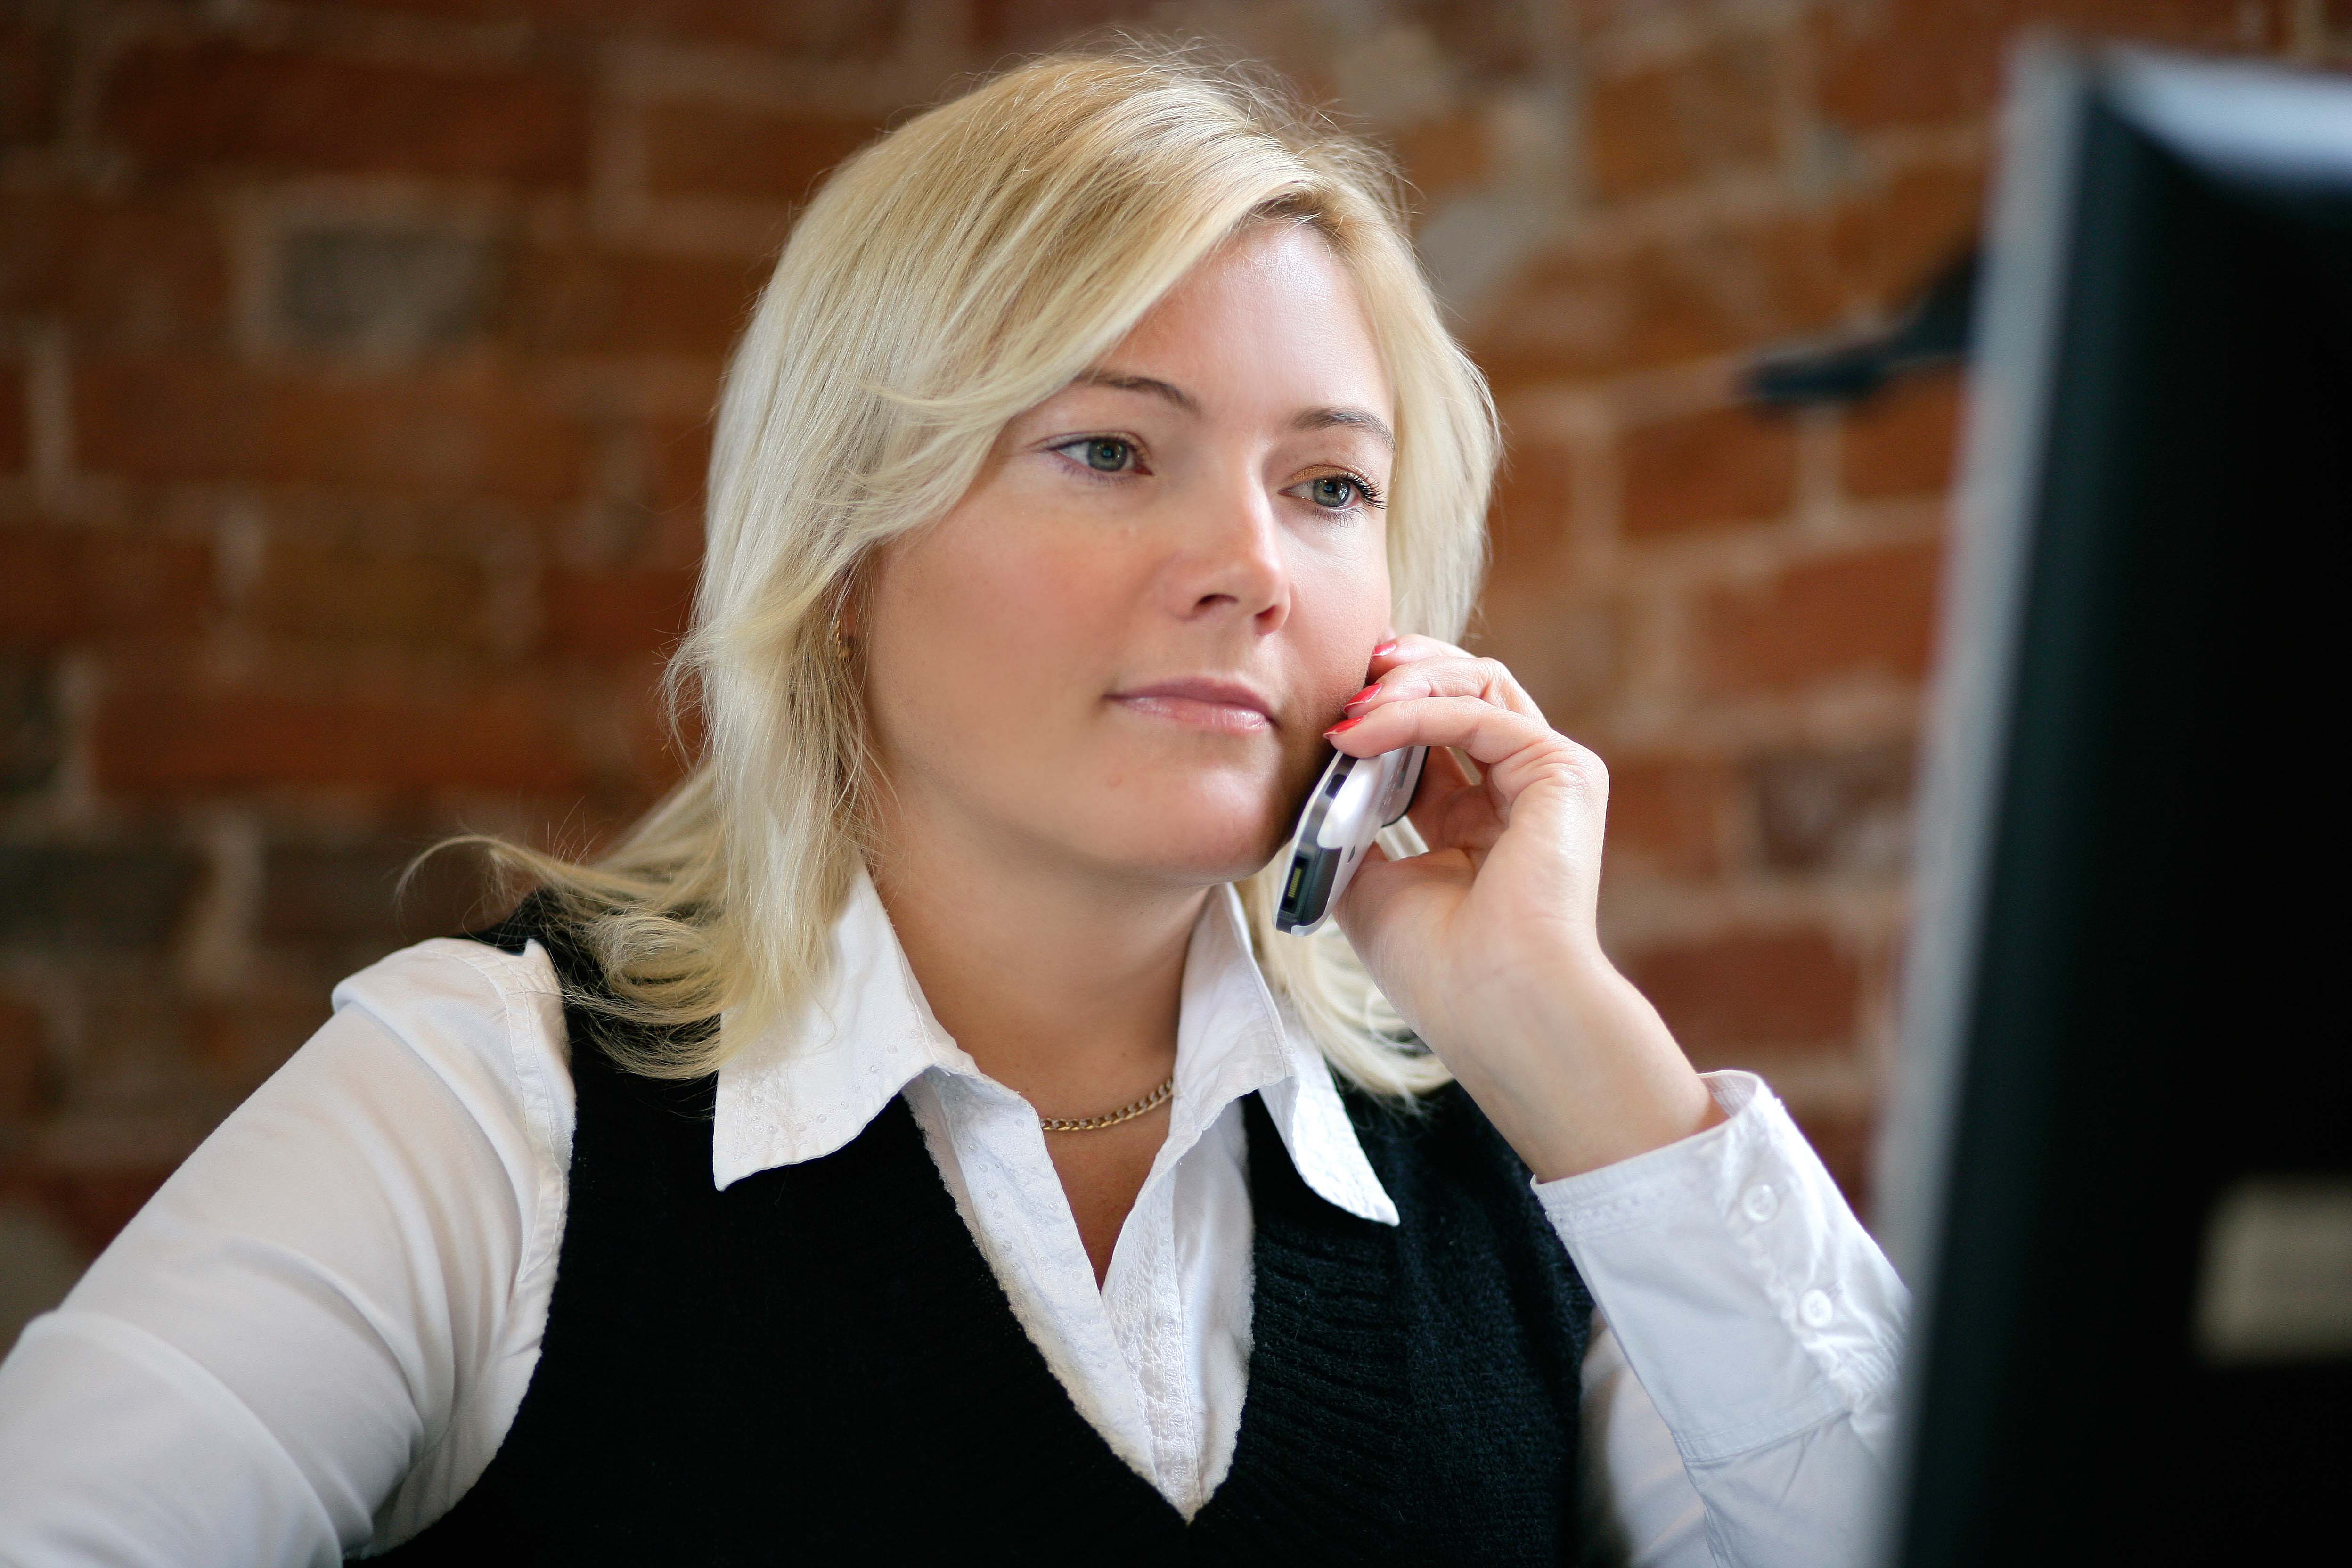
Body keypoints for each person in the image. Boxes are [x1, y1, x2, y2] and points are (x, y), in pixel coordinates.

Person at [0, 49, 1905, 1566]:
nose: (1249, 563)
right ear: (845, 549)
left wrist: (1565, 1034)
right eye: (1105, 448)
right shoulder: (498, 1097)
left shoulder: (1515, 1160)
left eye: (1328, 486)